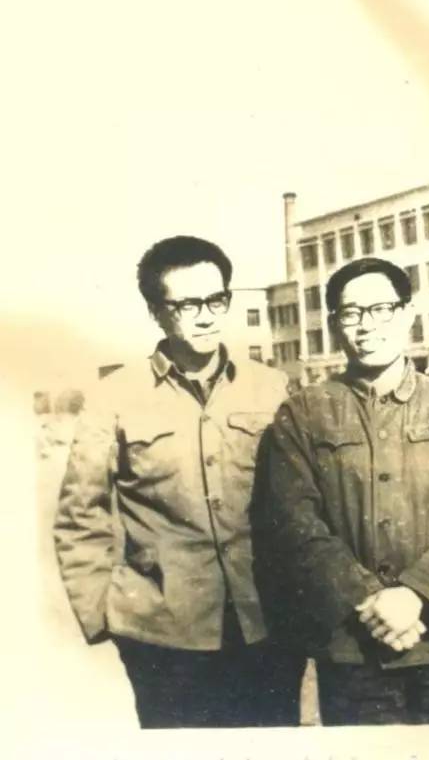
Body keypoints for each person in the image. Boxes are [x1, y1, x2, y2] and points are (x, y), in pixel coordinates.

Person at [53, 235, 301, 728]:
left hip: (267, 625)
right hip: (163, 638)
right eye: (187, 305)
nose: (206, 316)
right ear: (156, 311)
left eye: (216, 300)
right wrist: (103, 615)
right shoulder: (114, 397)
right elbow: (81, 515)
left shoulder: (272, 388)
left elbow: (301, 501)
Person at [256, 257, 429, 725]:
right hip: (355, 651)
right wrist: (368, 599)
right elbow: (295, 524)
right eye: (352, 313)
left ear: (407, 313)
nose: (367, 325)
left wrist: (416, 595)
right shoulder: (303, 414)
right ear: (334, 324)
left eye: (381, 309)